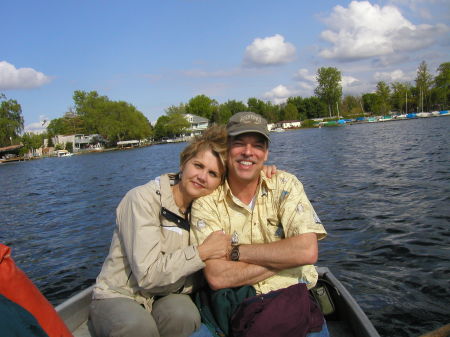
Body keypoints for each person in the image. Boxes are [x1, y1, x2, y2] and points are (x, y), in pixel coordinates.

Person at [89, 125, 277, 337]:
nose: (202, 177)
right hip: (122, 294)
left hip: (168, 294)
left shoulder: (207, 209)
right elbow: (148, 275)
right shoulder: (141, 199)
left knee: (185, 316)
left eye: (213, 173)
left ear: (220, 183)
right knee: (137, 328)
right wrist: (201, 252)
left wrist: (258, 174)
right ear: (183, 163)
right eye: (198, 165)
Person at [190, 112, 329, 336]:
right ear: (227, 150)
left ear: (266, 153)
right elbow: (217, 277)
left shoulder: (286, 185)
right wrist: (286, 257)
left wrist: (235, 252)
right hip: (233, 307)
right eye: (239, 144)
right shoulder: (206, 203)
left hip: (292, 299)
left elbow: (307, 251)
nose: (248, 152)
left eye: (257, 145)